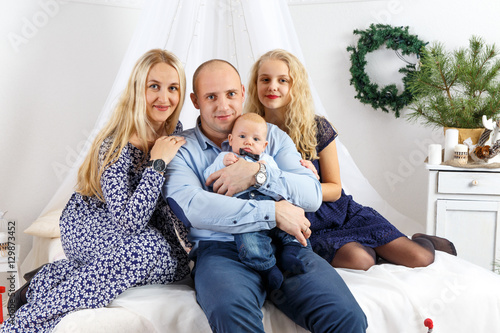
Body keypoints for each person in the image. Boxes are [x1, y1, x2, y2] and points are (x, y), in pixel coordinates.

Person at [163, 59, 367, 333]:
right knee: (231, 314)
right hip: (223, 251)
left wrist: (258, 173)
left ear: (243, 93)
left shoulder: (273, 136)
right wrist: (272, 212)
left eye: (231, 94)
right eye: (211, 97)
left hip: (286, 244)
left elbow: (312, 195)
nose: (223, 106)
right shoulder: (182, 150)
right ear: (195, 100)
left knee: (346, 317)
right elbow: (194, 208)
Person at [2, 49, 191, 332]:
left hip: (137, 226)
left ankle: (41, 283)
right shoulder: (117, 143)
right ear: (138, 89)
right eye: (154, 86)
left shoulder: (174, 129)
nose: (164, 98)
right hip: (91, 221)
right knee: (147, 249)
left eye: (172, 88)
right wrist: (157, 164)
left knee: (173, 263)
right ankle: (24, 323)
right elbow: (128, 220)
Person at [245, 48, 457, 271]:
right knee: (360, 260)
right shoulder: (247, 132)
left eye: (283, 80)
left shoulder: (317, 127)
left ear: (295, 86)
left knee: (420, 257)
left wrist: (304, 186)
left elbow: (335, 189)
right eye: (265, 80)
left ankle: (422, 239)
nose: (272, 86)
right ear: (255, 85)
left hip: (339, 212)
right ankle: (372, 252)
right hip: (306, 223)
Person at [203, 113, 305, 290]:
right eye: (242, 137)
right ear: (231, 139)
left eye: (255, 139)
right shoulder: (224, 157)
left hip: (273, 206)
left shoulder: (268, 161)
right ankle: (268, 269)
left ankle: (290, 255)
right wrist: (222, 164)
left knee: (295, 230)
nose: (248, 142)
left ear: (264, 145)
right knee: (249, 243)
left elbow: (280, 183)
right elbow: (208, 178)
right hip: (246, 211)